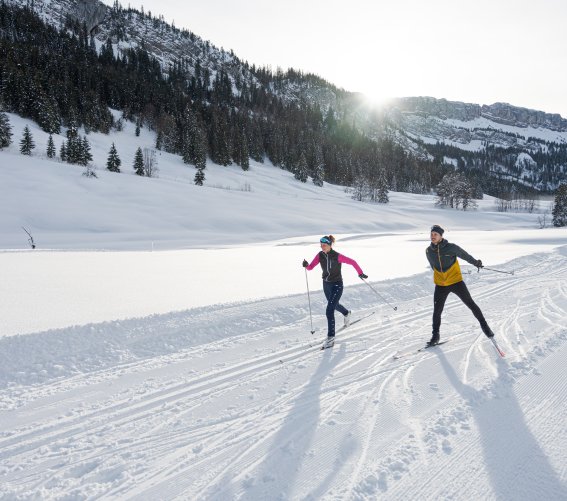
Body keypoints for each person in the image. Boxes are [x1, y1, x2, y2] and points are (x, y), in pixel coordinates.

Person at [425, 225, 495, 347]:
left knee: (471, 304)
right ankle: (435, 336)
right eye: (431, 234)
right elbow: (432, 265)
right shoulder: (428, 251)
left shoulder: (451, 248)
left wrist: (475, 262)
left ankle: (485, 327)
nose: (433, 236)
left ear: (441, 236)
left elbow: (465, 255)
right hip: (441, 284)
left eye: (435, 234)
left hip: (456, 282)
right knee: (437, 311)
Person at [303, 235, 368, 349]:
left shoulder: (337, 256)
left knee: (329, 310)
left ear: (330, 245)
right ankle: (346, 313)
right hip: (326, 285)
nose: (322, 247)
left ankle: (331, 338)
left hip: (337, 285)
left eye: (324, 245)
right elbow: (311, 267)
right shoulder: (320, 255)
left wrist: (360, 272)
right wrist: (306, 265)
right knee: (334, 305)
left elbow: (353, 262)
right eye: (321, 245)